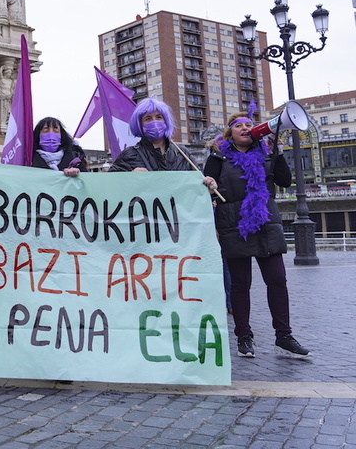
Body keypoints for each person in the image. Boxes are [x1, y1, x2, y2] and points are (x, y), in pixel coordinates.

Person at [203, 114, 310, 359]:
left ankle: (284, 335)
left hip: (266, 222)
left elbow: (285, 181)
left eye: (249, 125)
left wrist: (278, 152)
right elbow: (205, 189)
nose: (245, 128)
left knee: (277, 279)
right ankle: (244, 336)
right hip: (233, 223)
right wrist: (208, 184)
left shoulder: (266, 153)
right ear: (230, 133)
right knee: (240, 284)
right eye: (238, 125)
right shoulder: (219, 156)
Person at [109, 98, 218, 192]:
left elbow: (196, 187)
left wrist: (208, 188)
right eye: (148, 119)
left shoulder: (182, 153)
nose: (154, 122)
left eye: (159, 117)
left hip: (178, 215)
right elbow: (109, 188)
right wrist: (128, 178)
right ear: (139, 125)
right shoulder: (129, 155)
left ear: (166, 121)